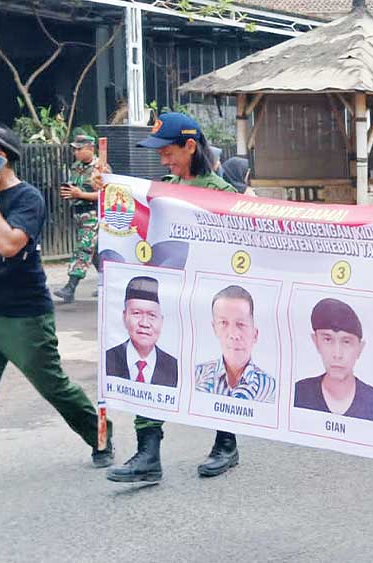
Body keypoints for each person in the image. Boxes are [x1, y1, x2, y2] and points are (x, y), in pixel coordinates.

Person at [0, 121, 113, 498]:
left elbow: (7, 245)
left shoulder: (27, 200)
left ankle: (100, 435)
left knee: (54, 386)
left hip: (23, 317)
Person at [106, 112, 239, 485]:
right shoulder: (159, 190)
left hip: (208, 300)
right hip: (167, 299)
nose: (163, 161)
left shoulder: (222, 194)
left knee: (217, 368)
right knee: (146, 366)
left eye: (168, 152)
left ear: (190, 146)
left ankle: (225, 443)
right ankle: (148, 453)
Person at [294, 298, 373, 420]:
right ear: (316, 342)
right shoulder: (298, 394)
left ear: (360, 349)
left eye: (346, 341)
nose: (337, 354)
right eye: (328, 339)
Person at [194, 285, 276, 403]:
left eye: (241, 324)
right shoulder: (195, 376)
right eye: (223, 323)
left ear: (255, 334)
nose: (233, 334)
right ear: (214, 328)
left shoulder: (272, 389)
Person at [53, 134, 109, 303]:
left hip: (93, 214)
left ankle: (70, 287)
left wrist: (81, 194)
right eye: (75, 149)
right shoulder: (76, 167)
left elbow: (105, 195)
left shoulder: (101, 168)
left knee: (84, 248)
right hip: (78, 213)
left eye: (79, 149)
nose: (76, 152)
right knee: (95, 253)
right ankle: (107, 284)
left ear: (91, 149)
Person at [105, 276, 179, 387]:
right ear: (124, 317)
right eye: (136, 313)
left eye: (152, 315)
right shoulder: (108, 360)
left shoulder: (175, 368)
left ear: (161, 321)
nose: (144, 323)